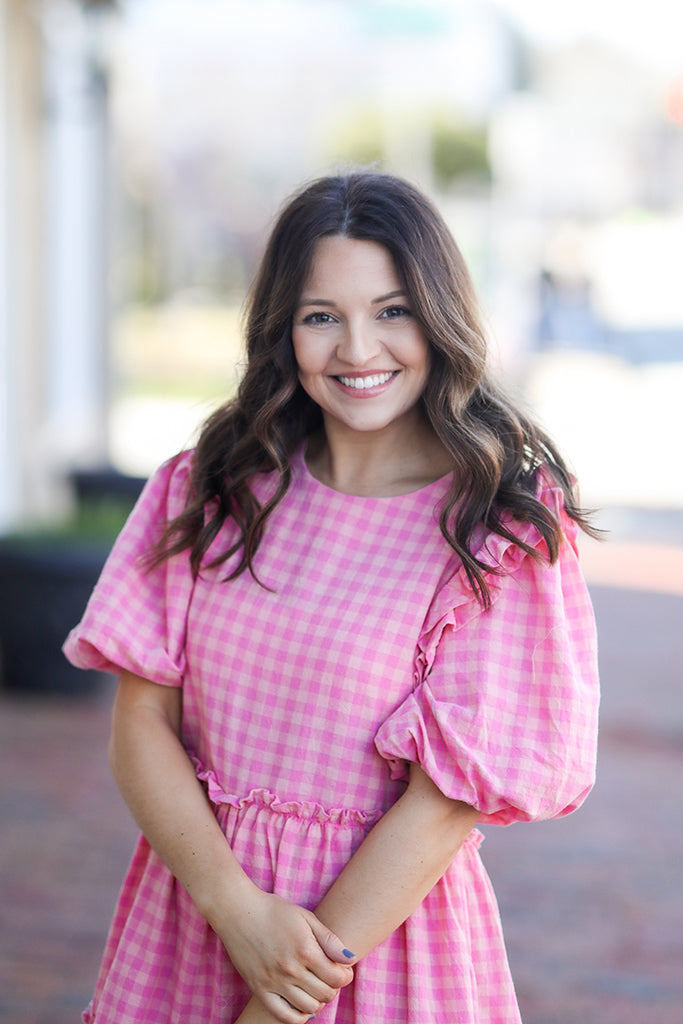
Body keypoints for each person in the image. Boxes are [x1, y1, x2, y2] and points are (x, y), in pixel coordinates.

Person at [64, 171, 600, 1024]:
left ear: (440, 316)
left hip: (377, 949)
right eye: (322, 316)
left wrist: (278, 1002)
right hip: (196, 917)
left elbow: (443, 802)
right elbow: (140, 726)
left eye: (392, 311)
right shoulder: (209, 489)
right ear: (283, 331)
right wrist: (234, 910)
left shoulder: (500, 525)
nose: (358, 350)